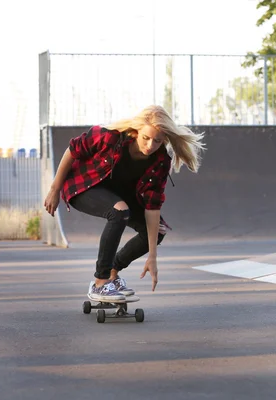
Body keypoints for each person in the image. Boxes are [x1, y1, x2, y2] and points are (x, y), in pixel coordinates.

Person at [43, 105, 205, 301]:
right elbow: (73, 149)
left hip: (119, 197)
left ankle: (112, 271)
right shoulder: (109, 137)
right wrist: (55, 188)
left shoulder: (160, 161)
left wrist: (152, 257)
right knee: (119, 211)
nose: (150, 146)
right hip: (83, 187)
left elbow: (152, 207)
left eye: (158, 141)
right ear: (136, 131)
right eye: (146, 138)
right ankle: (100, 283)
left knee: (157, 230)